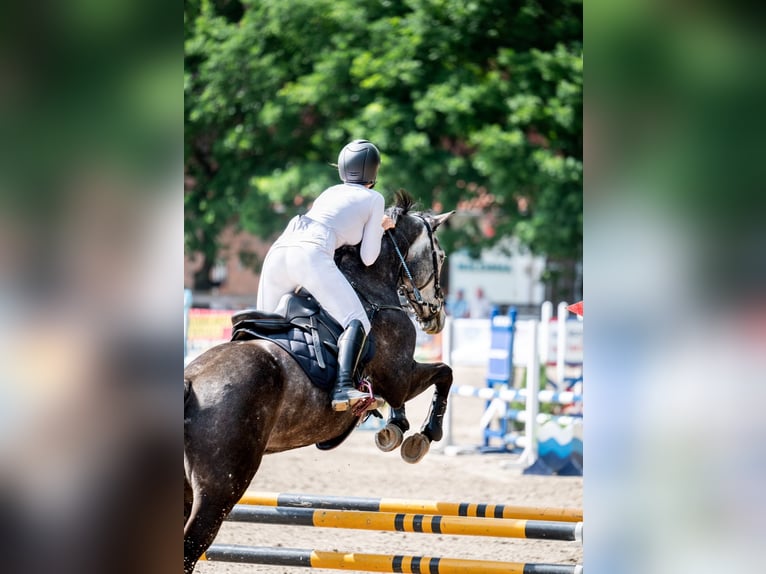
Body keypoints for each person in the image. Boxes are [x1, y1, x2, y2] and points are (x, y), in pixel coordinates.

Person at [256, 139, 395, 411]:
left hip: (279, 251)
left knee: (262, 328)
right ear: (373, 171)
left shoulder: (330, 192)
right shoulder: (374, 198)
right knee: (357, 320)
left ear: (343, 168)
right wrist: (381, 226)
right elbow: (368, 258)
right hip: (309, 254)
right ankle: (343, 388)